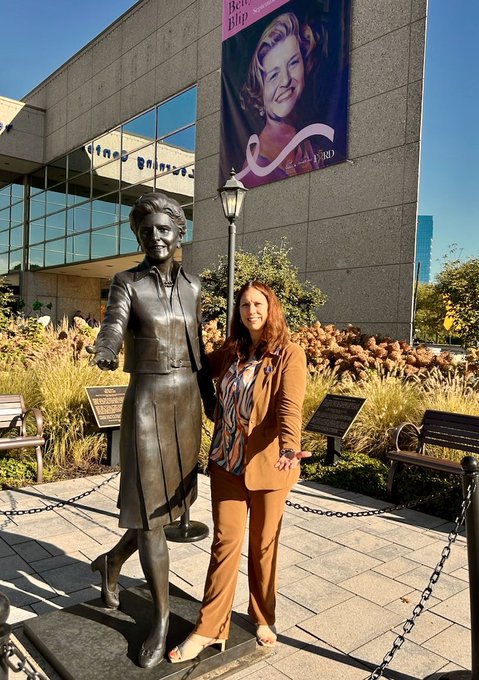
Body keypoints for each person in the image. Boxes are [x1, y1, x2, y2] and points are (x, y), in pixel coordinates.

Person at [86, 192, 215, 669]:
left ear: (179, 233)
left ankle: (113, 562)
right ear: (138, 235)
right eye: (147, 230)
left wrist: (214, 403)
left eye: (164, 228)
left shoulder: (194, 287)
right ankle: (160, 619)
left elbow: (200, 350)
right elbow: (114, 325)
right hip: (146, 402)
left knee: (165, 508)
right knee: (147, 510)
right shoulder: (127, 283)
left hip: (186, 403)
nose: (156, 237)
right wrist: (106, 347)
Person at [168, 280, 310, 662]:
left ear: (271, 307)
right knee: (224, 545)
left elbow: (289, 406)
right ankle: (208, 628)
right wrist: (180, 326)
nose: (251, 310)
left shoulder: (288, 354)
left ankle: (263, 616)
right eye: (245, 304)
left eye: (258, 303)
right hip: (226, 464)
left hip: (268, 467)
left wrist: (289, 446)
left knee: (263, 547)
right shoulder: (233, 351)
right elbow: (196, 365)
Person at [237, 12, 331, 188]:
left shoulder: (309, 146)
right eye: (273, 75)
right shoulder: (257, 168)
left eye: (293, 63)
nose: (286, 80)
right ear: (259, 90)